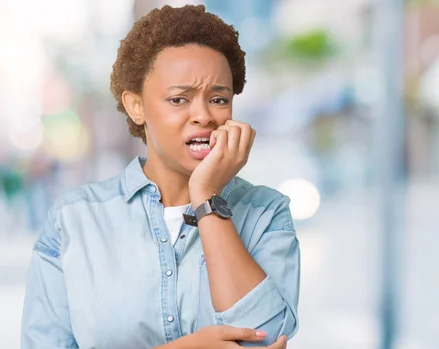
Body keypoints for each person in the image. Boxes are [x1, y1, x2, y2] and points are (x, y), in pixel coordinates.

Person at [21, 5, 300, 349]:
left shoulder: (266, 213)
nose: (203, 115)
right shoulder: (75, 219)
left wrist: (207, 196)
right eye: (179, 99)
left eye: (218, 98)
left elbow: (265, 339)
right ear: (137, 106)